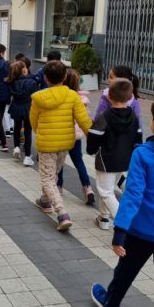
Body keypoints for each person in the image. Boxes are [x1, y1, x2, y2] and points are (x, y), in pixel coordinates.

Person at [91, 97, 154, 307]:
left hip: (142, 229)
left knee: (126, 269)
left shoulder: (145, 154)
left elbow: (133, 195)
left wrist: (120, 230)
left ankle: (112, 305)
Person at [30, 60, 92, 231]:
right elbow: (84, 120)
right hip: (66, 142)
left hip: (46, 143)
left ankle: (62, 212)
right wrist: (93, 137)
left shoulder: (39, 98)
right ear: (65, 77)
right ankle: (45, 200)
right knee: (53, 174)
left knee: (48, 177)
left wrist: (40, 133)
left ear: (45, 78)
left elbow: (33, 120)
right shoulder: (72, 96)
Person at [87, 78, 143, 230]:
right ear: (130, 96)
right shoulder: (134, 117)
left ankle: (123, 222)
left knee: (105, 191)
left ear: (109, 96)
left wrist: (90, 150)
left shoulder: (104, 117)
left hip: (107, 160)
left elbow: (94, 136)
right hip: (125, 159)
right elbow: (138, 137)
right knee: (110, 188)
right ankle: (104, 219)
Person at [56, 69, 95, 205]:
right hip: (76, 136)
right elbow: (87, 117)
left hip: (63, 134)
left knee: (59, 162)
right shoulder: (82, 99)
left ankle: (59, 187)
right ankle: (88, 188)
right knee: (79, 161)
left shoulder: (61, 97)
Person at [6, 60, 37, 166]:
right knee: (28, 131)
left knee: (17, 128)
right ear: (24, 70)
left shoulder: (12, 82)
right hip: (28, 108)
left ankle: (16, 148)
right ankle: (27, 156)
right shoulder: (32, 82)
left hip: (16, 107)